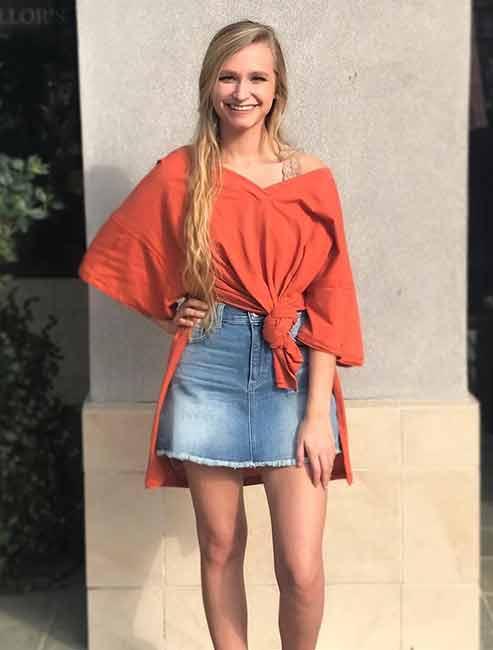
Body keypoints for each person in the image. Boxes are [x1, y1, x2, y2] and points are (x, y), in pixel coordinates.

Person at [79, 19, 364, 650]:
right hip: (208, 367)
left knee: (301, 566)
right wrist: (170, 311)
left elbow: (331, 297)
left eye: (256, 77)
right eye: (229, 77)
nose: (243, 91)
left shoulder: (311, 177)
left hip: (292, 372)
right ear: (210, 87)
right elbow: (114, 258)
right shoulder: (182, 173)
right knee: (219, 545)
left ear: (276, 86)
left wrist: (319, 414)